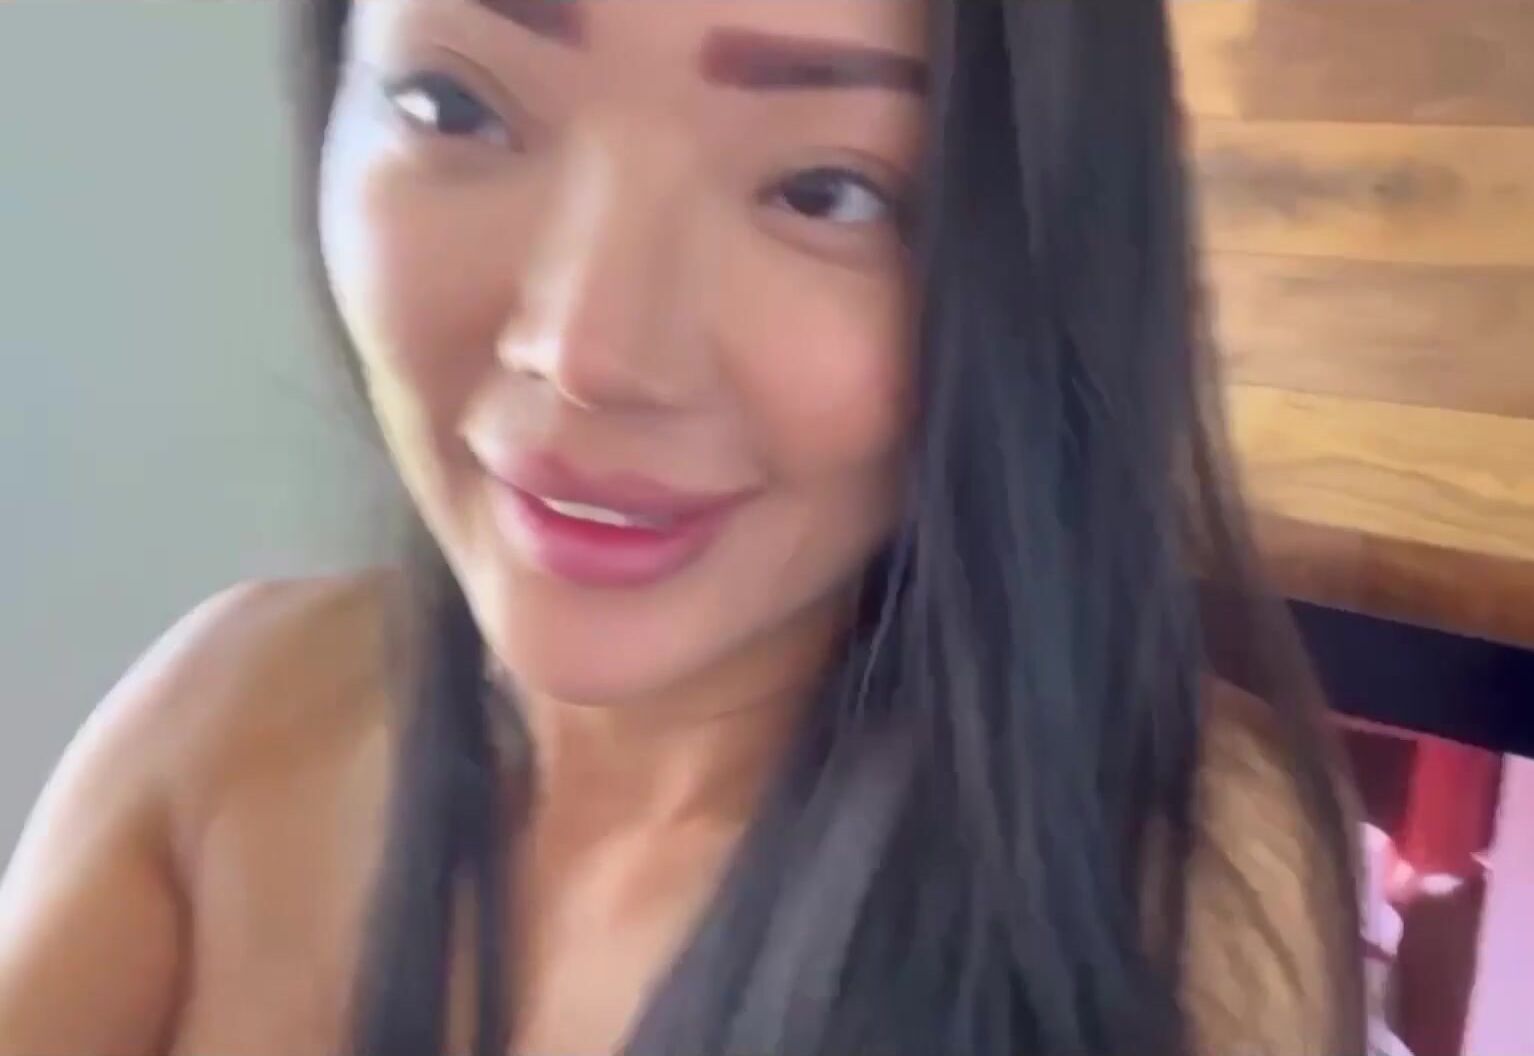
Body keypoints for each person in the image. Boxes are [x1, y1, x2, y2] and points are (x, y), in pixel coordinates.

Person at [0, 2, 1366, 1054]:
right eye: (453, 104)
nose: (589, 349)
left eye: (826, 191)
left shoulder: (1155, 876)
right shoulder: (223, 723)